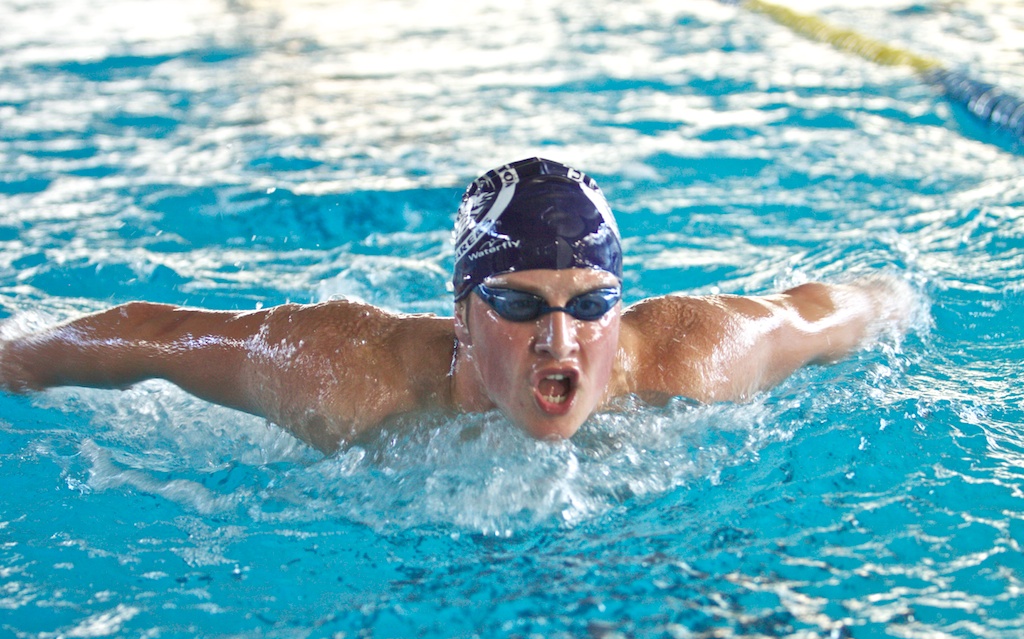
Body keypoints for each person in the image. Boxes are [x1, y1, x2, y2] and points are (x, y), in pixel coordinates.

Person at [0, 158, 912, 453]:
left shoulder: (689, 357)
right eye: (518, 302)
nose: (561, 336)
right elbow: (160, 335)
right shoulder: (349, 376)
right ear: (463, 312)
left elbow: (827, 311)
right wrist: (21, 356)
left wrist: (893, 295)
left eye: (591, 303)